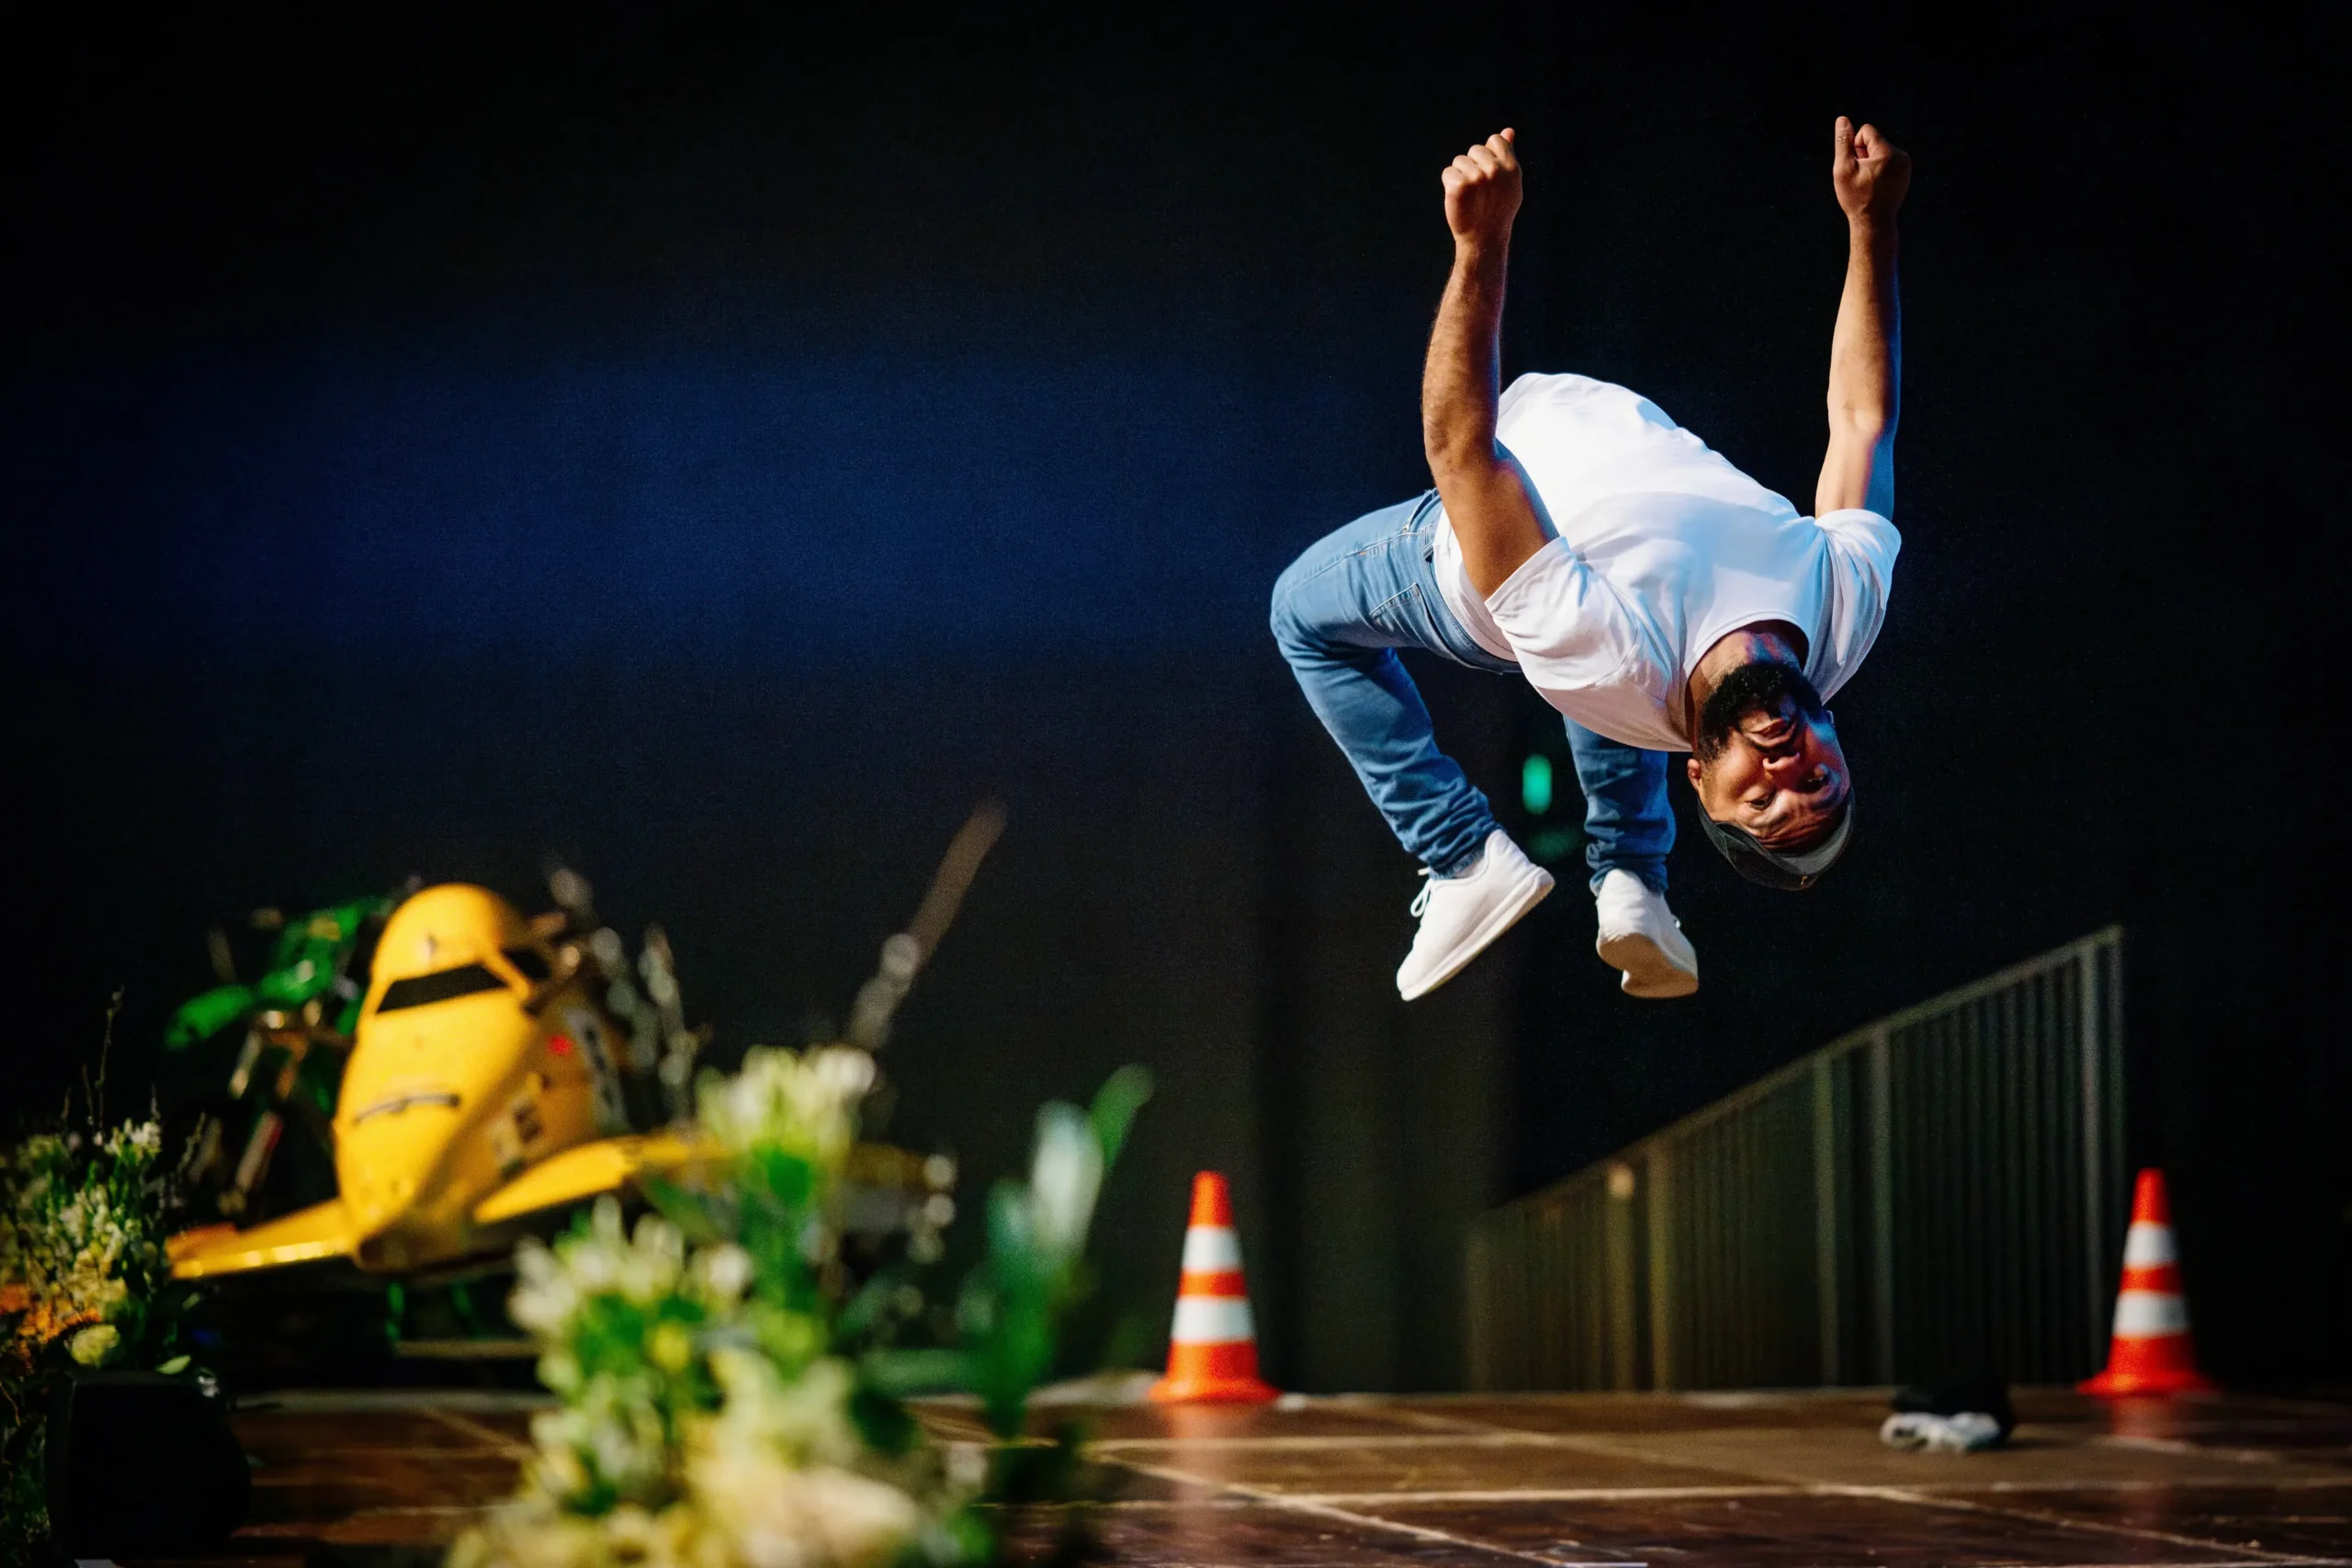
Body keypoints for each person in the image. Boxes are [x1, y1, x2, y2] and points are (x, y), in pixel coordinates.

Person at [1270, 118, 1909, 1001]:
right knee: (1637, 657)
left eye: (1762, 803)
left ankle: (1462, 857)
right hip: (1605, 619)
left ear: (1702, 784)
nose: (1784, 774)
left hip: (1464, 564)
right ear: (1834, 735)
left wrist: (1481, 245)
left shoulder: (1611, 655)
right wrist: (1872, 225)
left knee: (1301, 613)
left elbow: (1463, 454)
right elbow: (1863, 418)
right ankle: (1633, 883)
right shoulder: (1846, 605)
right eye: (1818, 782)